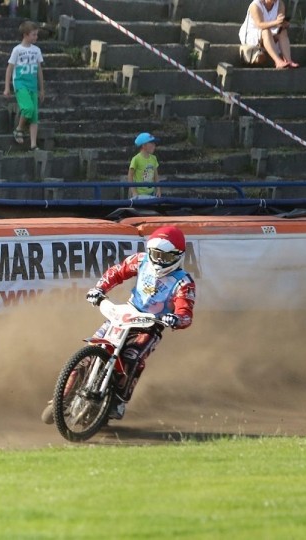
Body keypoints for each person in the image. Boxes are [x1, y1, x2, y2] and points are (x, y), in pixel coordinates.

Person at [42, 226, 196, 423]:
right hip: (126, 313)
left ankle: (118, 401)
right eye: (155, 254)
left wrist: (175, 319)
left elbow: (186, 313)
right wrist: (99, 289)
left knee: (132, 358)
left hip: (152, 324)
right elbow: (117, 272)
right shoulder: (140, 260)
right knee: (90, 350)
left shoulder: (183, 282)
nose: (159, 261)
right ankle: (61, 398)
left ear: (178, 256)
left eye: (165, 257)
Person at [4, 20, 44, 152]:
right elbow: (9, 69)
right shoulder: (17, 50)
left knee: (34, 116)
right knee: (28, 108)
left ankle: (33, 145)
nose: (36, 37)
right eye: (33, 34)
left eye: (36, 34)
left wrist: (42, 89)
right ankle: (19, 129)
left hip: (32, 85)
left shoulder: (36, 50)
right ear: (25, 35)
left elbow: (39, 70)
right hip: (20, 84)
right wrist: (7, 87)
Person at [239, 0, 298, 69]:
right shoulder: (255, 5)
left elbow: (280, 19)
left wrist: (283, 23)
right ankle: (278, 61)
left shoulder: (280, 4)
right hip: (251, 33)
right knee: (266, 31)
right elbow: (260, 24)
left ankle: (288, 60)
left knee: (282, 31)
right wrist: (276, 22)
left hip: (270, 31)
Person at [128, 132, 161, 198]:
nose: (154, 145)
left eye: (154, 143)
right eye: (151, 143)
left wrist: (158, 189)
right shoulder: (136, 159)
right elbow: (130, 176)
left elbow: (156, 176)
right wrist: (134, 192)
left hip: (151, 192)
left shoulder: (154, 158)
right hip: (139, 193)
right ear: (144, 145)